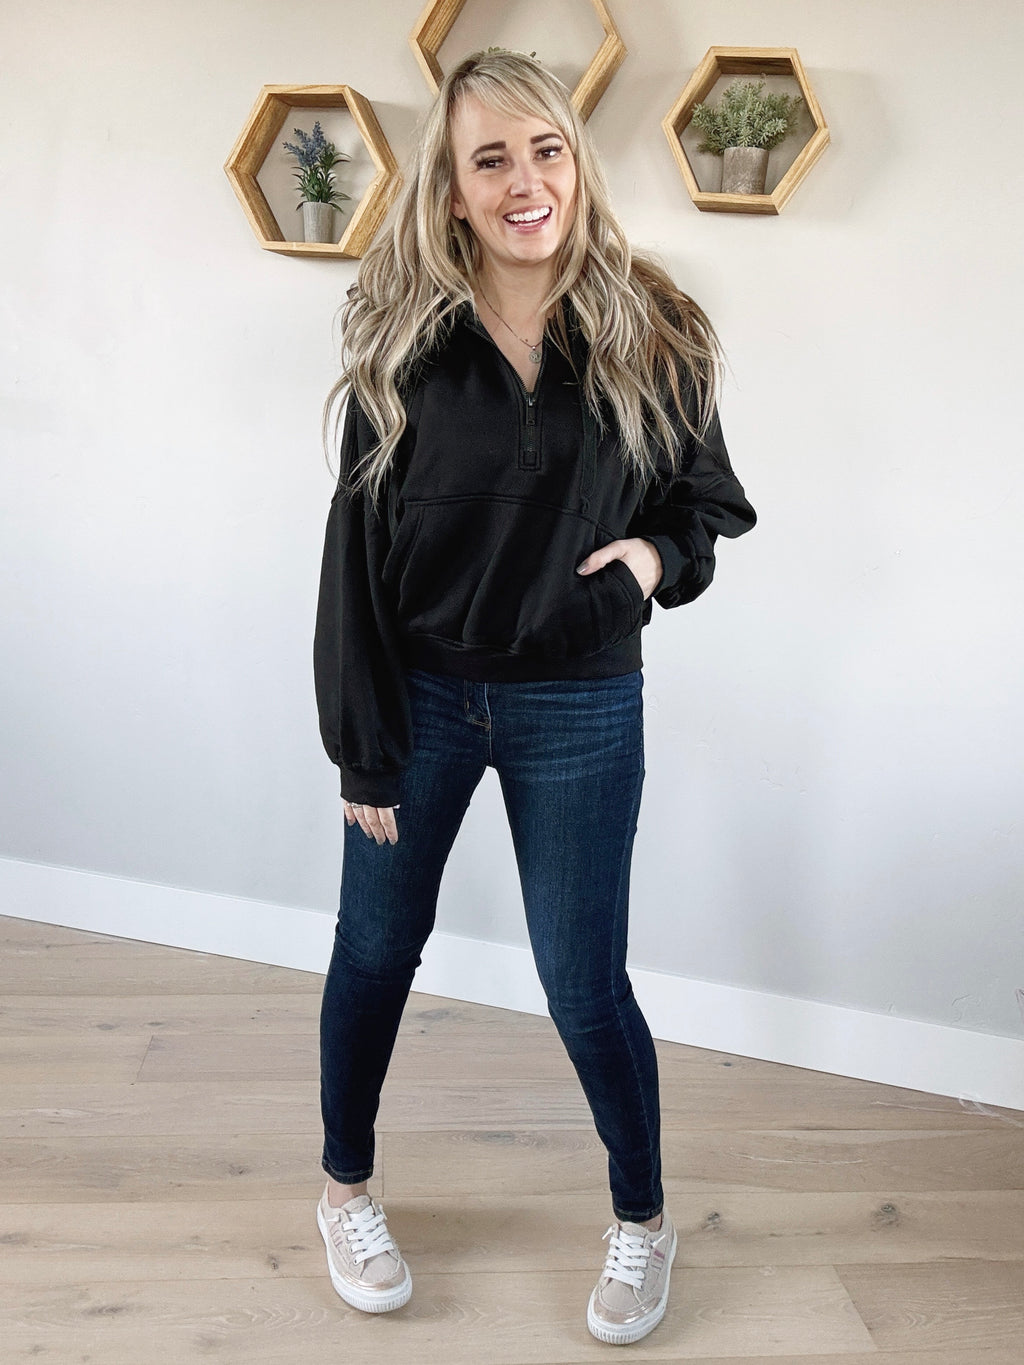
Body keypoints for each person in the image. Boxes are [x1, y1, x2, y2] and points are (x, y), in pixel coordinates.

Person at [312, 49, 755, 1346]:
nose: (525, 181)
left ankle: (643, 1220)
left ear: (577, 159)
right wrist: (362, 747)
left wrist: (654, 560)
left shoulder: (655, 324)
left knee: (582, 981)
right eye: (491, 158)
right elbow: (354, 554)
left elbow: (705, 504)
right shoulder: (401, 339)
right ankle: (344, 1190)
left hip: (580, 705)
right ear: (453, 188)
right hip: (421, 699)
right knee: (375, 952)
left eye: (545, 149)